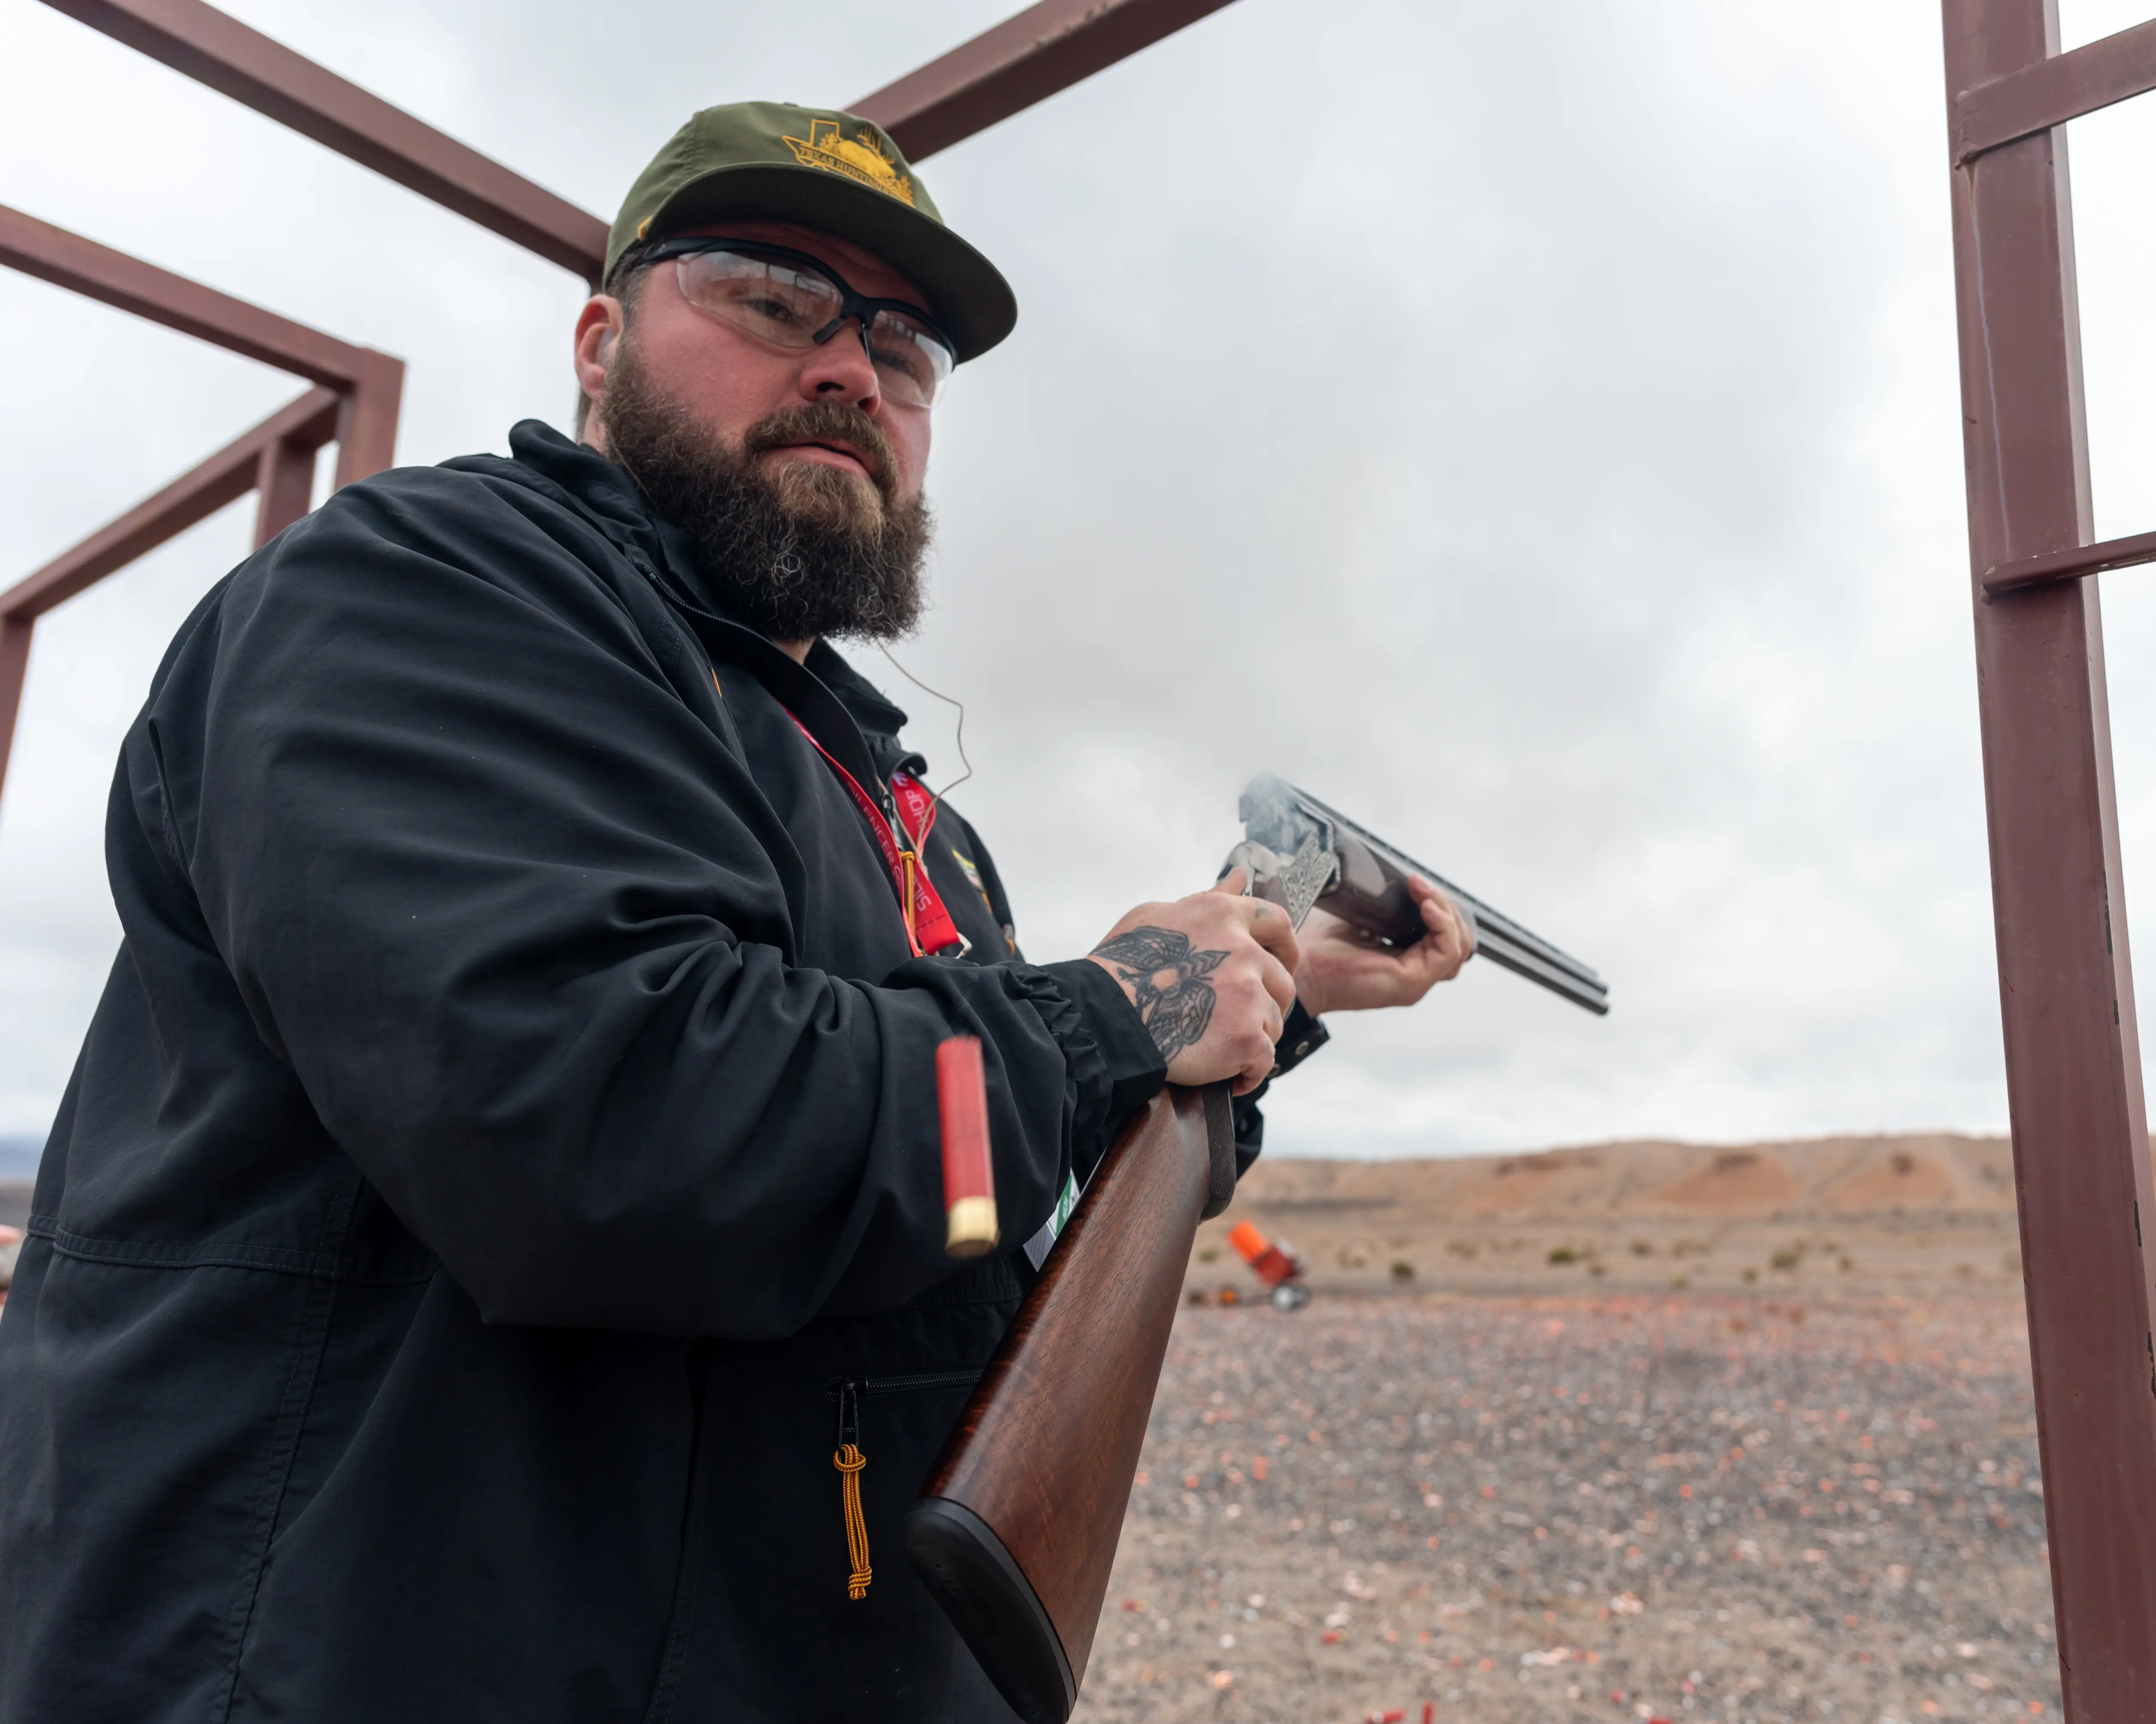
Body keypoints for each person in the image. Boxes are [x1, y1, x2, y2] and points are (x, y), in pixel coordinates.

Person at [0, 101, 1470, 1723]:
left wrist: (1259, 1002)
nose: (853, 368)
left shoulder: (909, 816)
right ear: (600, 338)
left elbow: (983, 1198)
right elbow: (614, 1141)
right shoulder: (423, 593)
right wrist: (1115, 1011)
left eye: (904, 350)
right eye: (776, 299)